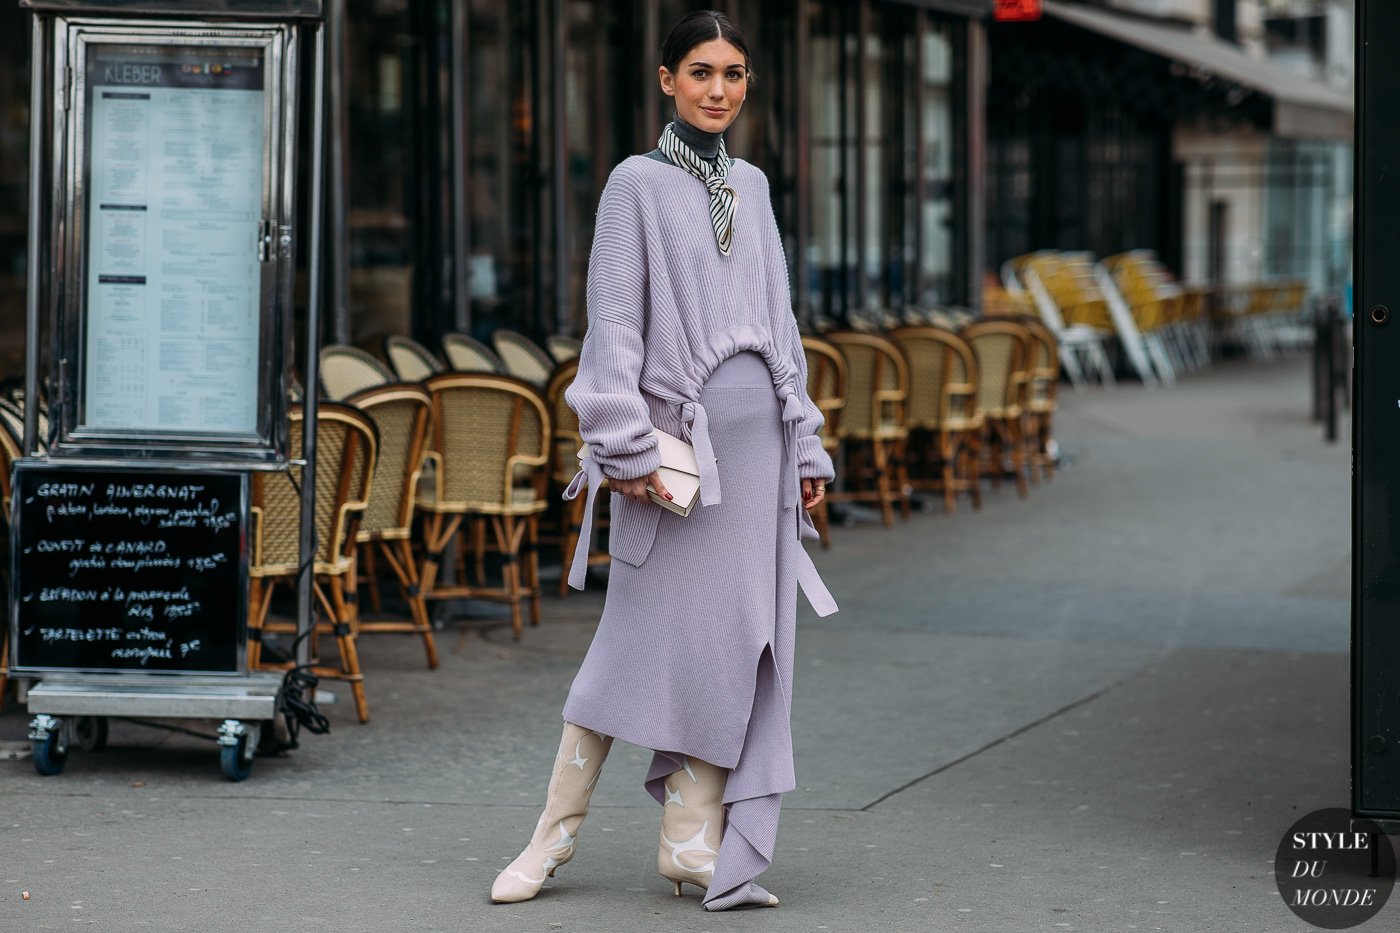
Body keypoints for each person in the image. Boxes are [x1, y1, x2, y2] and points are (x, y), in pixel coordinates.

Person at [489, 9, 837, 912]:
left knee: (735, 651)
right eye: (700, 72)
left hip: (759, 458)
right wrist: (623, 444)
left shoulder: (754, 187)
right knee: (627, 651)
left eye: (733, 73)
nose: (718, 89)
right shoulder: (633, 185)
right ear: (667, 80)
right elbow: (615, 325)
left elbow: (782, 328)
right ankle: (549, 838)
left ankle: (692, 842)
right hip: (676, 462)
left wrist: (806, 441)